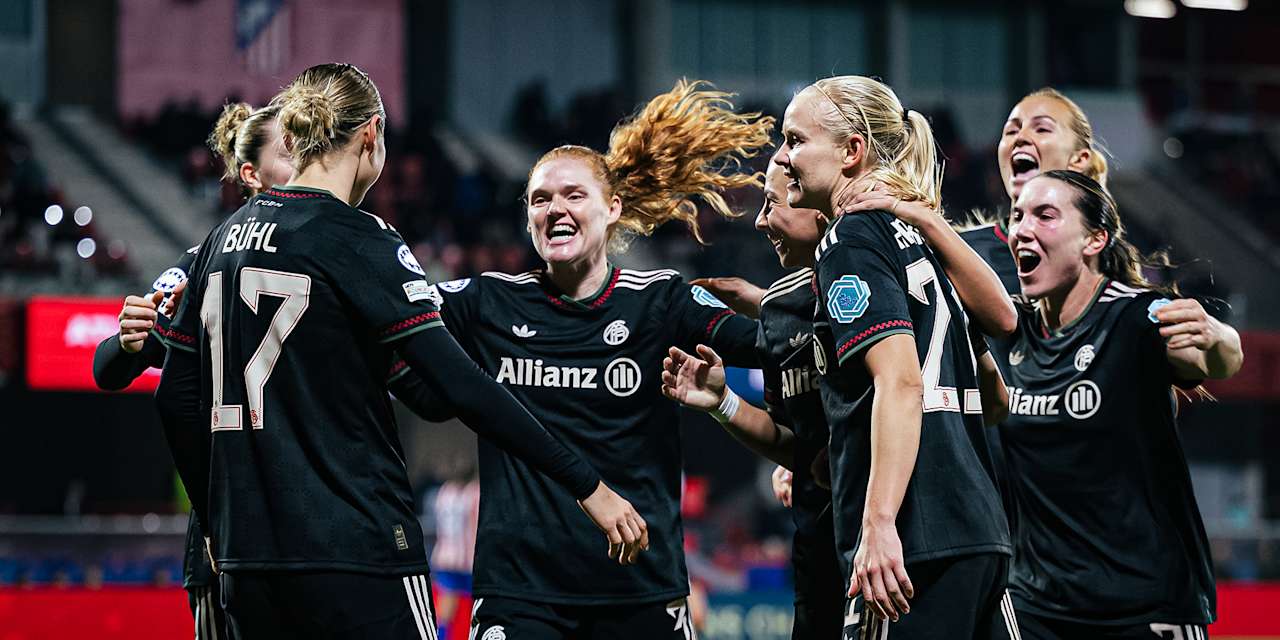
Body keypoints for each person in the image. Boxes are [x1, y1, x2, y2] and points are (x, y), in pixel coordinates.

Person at [154, 62, 647, 639]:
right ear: (371, 136)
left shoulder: (220, 240)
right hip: (357, 553)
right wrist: (588, 485)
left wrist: (215, 526)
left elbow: (174, 397)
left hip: (246, 562)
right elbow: (460, 387)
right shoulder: (360, 237)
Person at [428, 79, 771, 640]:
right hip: (522, 597)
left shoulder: (661, 299)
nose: (555, 209)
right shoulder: (486, 301)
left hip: (637, 591)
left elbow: (765, 346)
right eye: (540, 199)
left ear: (612, 208)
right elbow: (391, 312)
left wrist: (785, 304)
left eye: (572, 195)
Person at [775, 75, 1016, 639]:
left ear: (851, 151)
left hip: (914, 541)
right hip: (981, 532)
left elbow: (901, 382)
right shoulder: (919, 239)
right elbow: (998, 375)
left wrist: (879, 523)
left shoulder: (852, 239)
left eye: (794, 140)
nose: (782, 157)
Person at [995, 170, 1242, 639]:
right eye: (1018, 216)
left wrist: (1219, 337)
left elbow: (1220, 360)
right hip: (1038, 610)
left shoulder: (1133, 317)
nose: (1023, 228)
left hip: (1144, 608)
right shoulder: (1009, 329)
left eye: (1045, 216)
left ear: (1095, 239)